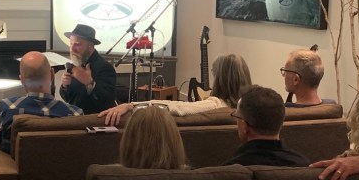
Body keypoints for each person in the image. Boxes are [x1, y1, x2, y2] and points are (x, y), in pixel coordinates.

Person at [100, 53, 252, 126]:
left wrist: (131, 105)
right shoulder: (251, 107)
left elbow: (177, 107)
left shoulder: (215, 105)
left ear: (219, 78)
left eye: (213, 73)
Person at [0, 51, 82, 153]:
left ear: (21, 80)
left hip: (18, 163)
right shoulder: (76, 114)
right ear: (52, 74)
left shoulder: (7, 108)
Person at [225, 85, 309, 167]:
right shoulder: (303, 165)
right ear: (280, 123)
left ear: (244, 126)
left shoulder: (229, 170)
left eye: (237, 117)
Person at [58, 23, 117, 114]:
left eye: (77, 44)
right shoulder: (76, 65)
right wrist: (64, 86)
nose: (72, 49)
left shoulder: (105, 67)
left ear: (90, 45)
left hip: (94, 120)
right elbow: (70, 99)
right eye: (71, 44)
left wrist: (89, 83)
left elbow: (107, 102)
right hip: (75, 118)